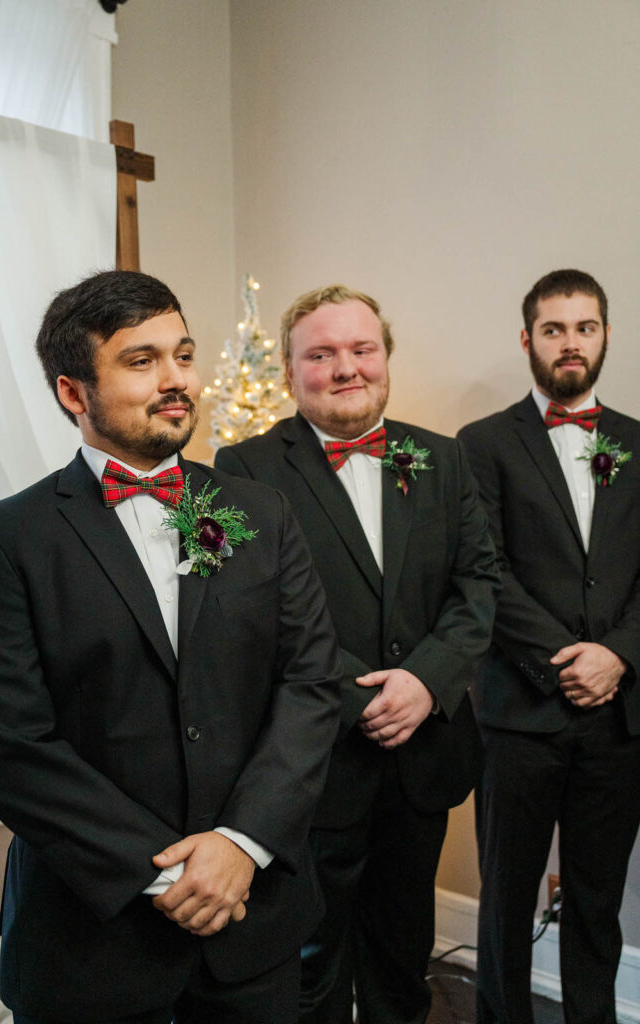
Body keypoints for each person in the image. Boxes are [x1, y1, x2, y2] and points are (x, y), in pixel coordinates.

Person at [0, 270, 343, 1024]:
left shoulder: (259, 512)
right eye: (140, 361)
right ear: (74, 393)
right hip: (91, 934)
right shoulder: (4, 540)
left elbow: (311, 683)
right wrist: (165, 878)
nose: (176, 382)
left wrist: (241, 843)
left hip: (252, 920)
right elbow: (9, 746)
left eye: (182, 355)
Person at [215, 283, 499, 1023]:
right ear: (288, 372)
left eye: (361, 349)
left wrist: (423, 682)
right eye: (321, 354)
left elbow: (477, 587)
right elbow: (252, 615)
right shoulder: (239, 469)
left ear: (384, 360)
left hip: (421, 758)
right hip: (312, 762)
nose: (346, 367)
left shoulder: (442, 459)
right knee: (309, 961)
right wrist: (362, 694)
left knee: (403, 957)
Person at [458, 269, 640, 1024]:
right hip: (518, 712)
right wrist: (568, 661)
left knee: (596, 900)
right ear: (527, 338)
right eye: (555, 329)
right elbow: (483, 571)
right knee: (505, 896)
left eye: (585, 327)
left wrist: (618, 655)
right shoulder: (482, 444)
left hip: (619, 717)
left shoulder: (635, 442)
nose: (571, 343)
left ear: (603, 335)